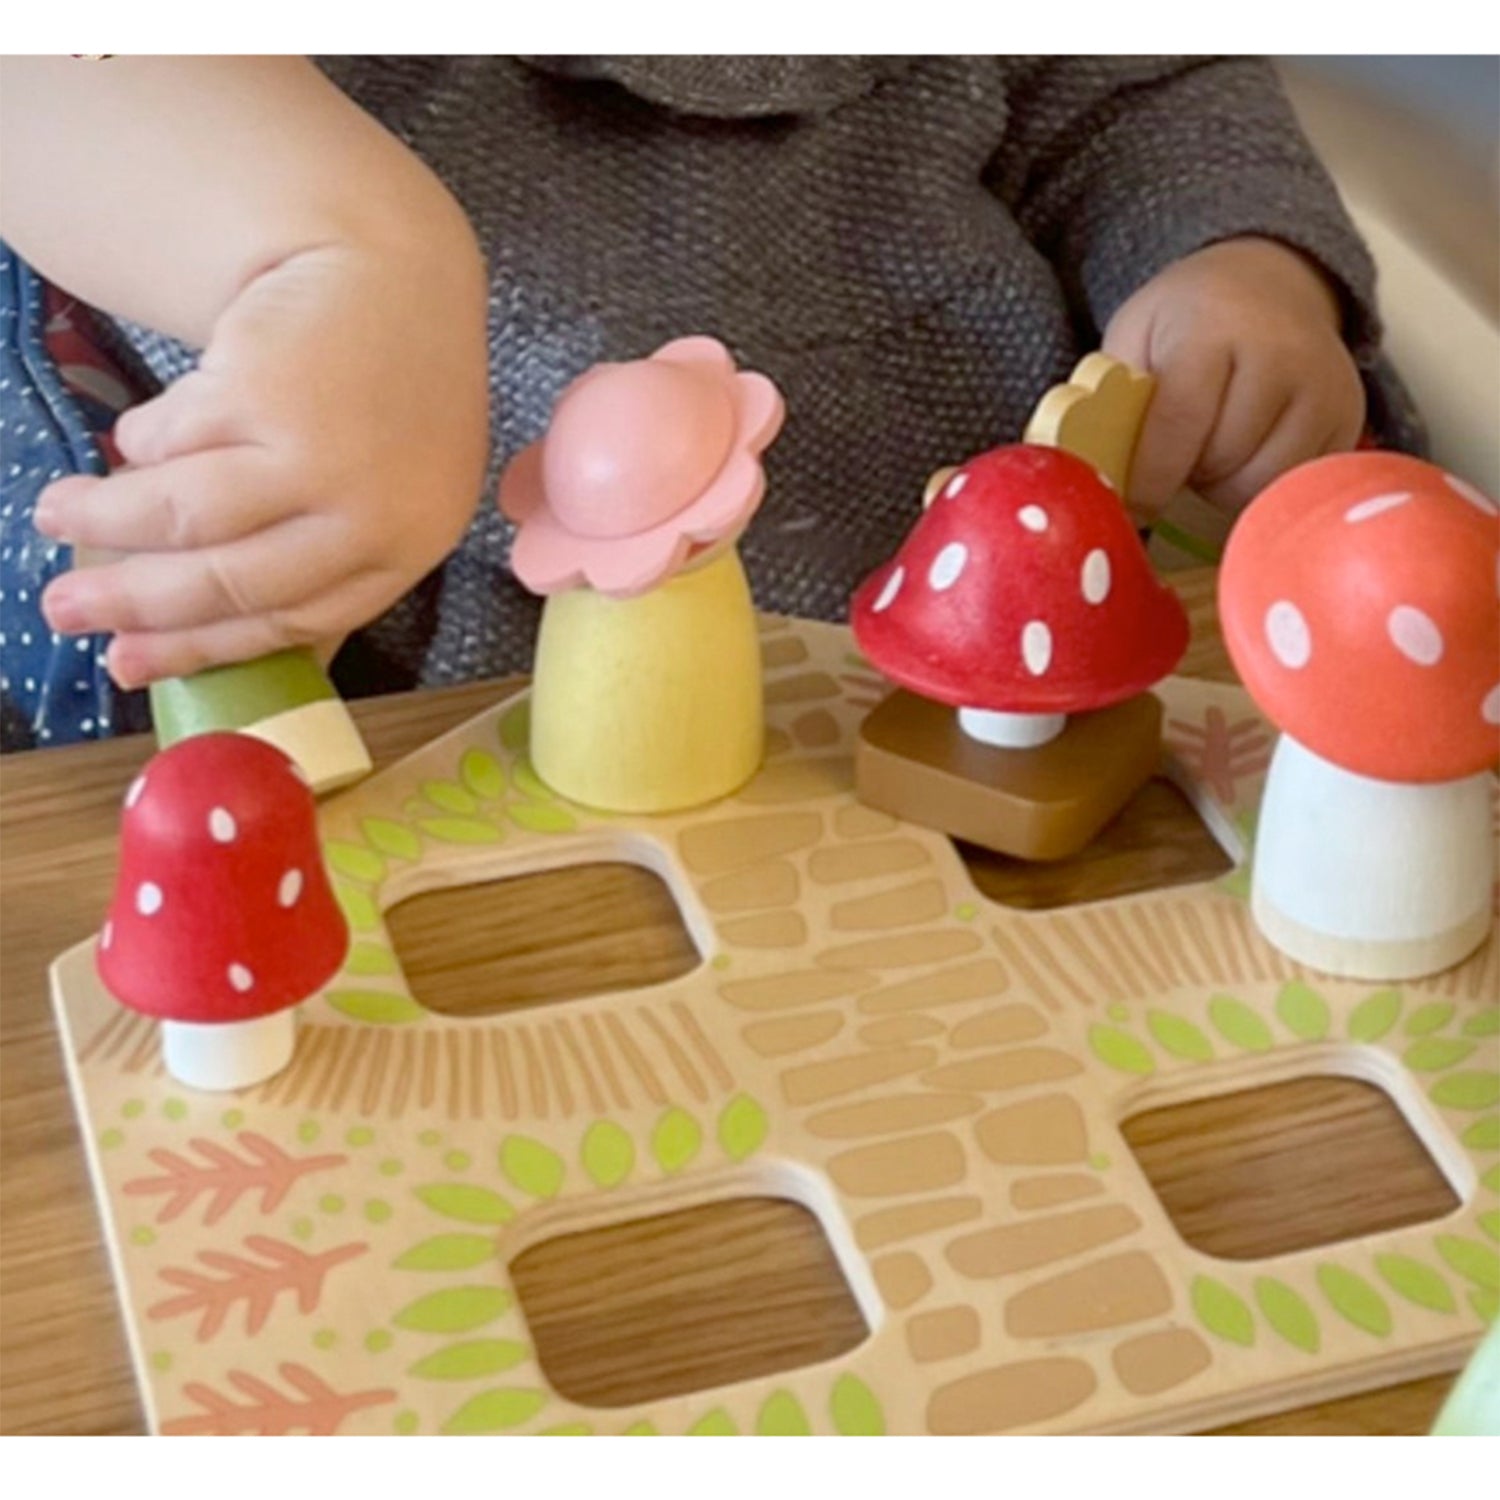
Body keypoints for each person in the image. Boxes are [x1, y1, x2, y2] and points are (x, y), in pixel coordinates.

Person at [0, 55, 1398, 750]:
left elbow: (1139, 86)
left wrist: (1240, 273)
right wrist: (318, 255)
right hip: (453, 733)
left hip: (1016, 683)